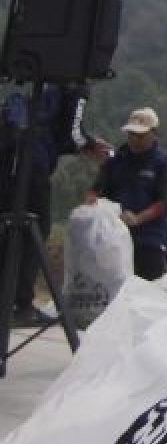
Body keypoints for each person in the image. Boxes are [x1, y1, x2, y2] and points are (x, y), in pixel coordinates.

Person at [1, 84, 105, 327]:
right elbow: (74, 134)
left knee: (7, 230)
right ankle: (22, 304)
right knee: (36, 230)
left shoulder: (43, 83)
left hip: (7, 161)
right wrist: (91, 144)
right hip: (32, 164)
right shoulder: (75, 86)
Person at [87, 108, 167, 281]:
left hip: (148, 239)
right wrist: (91, 206)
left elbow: (166, 201)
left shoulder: (164, 163)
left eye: (141, 135)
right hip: (113, 239)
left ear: (154, 134)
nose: (135, 140)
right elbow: (96, 190)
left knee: (149, 289)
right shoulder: (116, 161)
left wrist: (138, 218)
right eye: (131, 134)